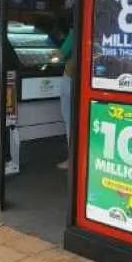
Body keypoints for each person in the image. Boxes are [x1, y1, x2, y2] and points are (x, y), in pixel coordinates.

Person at [57, 24, 75, 170]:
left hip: (70, 79)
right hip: (84, 81)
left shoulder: (74, 32)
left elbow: (59, 55)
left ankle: (71, 160)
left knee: (69, 121)